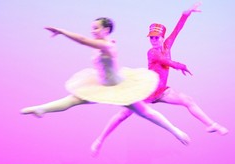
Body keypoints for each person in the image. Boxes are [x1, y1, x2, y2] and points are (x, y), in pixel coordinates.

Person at [21, 17, 191, 146]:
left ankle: (175, 131)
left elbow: (82, 40)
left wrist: (62, 31)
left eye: (96, 28)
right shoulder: (105, 44)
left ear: (106, 29)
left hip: (118, 87)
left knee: (145, 112)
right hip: (101, 85)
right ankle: (41, 109)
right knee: (73, 99)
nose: (93, 31)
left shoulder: (107, 46)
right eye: (92, 28)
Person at [91, 3, 228, 156]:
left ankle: (211, 125)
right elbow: (165, 62)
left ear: (163, 37)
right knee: (122, 115)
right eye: (152, 38)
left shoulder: (167, 45)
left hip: (162, 90)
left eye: (157, 37)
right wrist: (180, 65)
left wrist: (185, 14)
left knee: (188, 100)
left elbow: (177, 30)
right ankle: (100, 140)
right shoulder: (152, 52)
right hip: (148, 91)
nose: (154, 40)